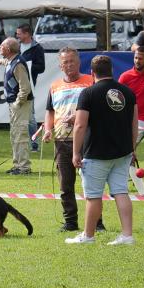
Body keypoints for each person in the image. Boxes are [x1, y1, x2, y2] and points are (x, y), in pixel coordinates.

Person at [67, 55, 137, 246]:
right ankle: (127, 235)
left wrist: (75, 152)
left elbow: (80, 125)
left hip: (96, 153)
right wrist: (132, 148)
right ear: (111, 70)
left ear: (92, 72)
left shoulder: (88, 93)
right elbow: (134, 124)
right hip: (123, 152)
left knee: (93, 196)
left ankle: (88, 236)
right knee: (121, 192)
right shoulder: (127, 92)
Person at [42, 48, 105, 233]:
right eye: (65, 62)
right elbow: (50, 111)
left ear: (79, 63)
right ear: (60, 66)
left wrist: (78, 118)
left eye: (72, 61)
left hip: (88, 139)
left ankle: (97, 223)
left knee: (92, 184)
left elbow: (99, 109)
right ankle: (70, 222)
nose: (69, 65)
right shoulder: (54, 86)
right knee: (65, 185)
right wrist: (48, 130)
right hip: (62, 140)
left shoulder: (90, 82)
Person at [0, 38, 32, 174]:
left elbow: (25, 88)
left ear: (8, 49)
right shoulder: (12, 60)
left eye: (2, 46)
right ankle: (17, 165)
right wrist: (1, 61)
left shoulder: (18, 64)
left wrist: (18, 103)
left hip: (20, 105)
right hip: (15, 104)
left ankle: (24, 167)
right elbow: (7, 62)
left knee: (20, 135)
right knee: (15, 135)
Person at [15, 23, 45, 151]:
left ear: (27, 34)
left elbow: (41, 67)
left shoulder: (37, 48)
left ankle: (34, 143)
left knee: (30, 117)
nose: (17, 36)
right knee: (17, 115)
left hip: (29, 85)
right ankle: (19, 142)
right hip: (15, 84)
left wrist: (28, 66)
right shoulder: (15, 46)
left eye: (19, 34)